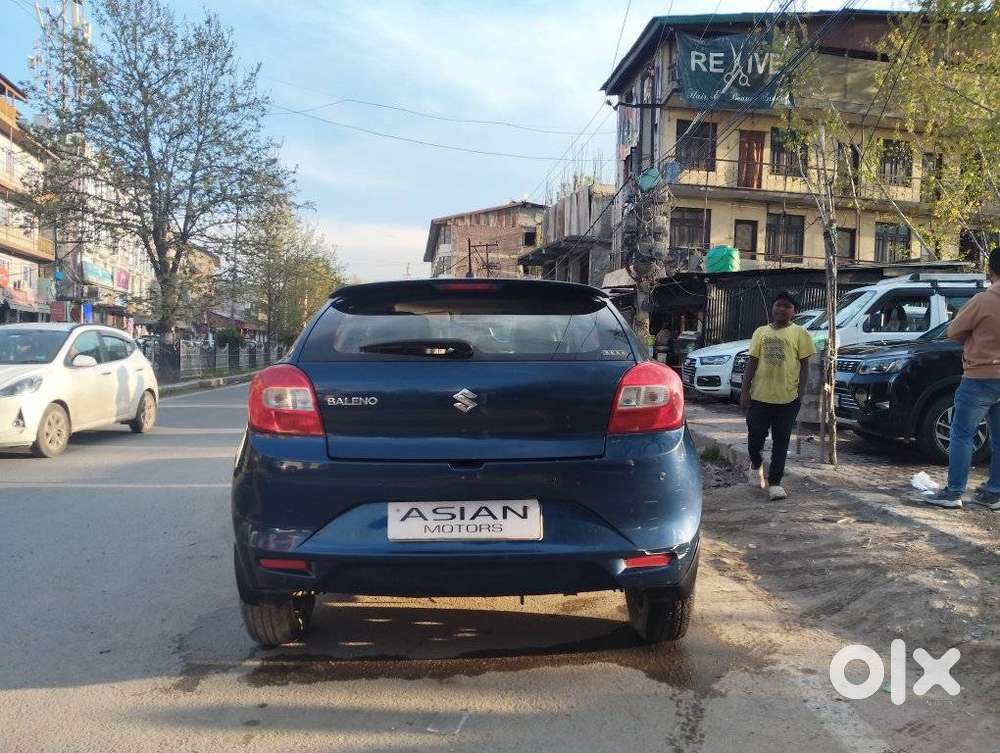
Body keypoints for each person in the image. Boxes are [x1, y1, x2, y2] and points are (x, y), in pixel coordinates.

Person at [924, 247, 1000, 510]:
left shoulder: (982, 300)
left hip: (979, 376)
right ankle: (995, 492)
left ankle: (954, 491)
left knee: (961, 434)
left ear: (990, 271)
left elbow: (953, 332)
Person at [740, 291, 817, 501]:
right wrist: (745, 390)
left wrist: (800, 395)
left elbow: (805, 366)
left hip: (788, 399)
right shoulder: (760, 332)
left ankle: (775, 483)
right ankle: (756, 463)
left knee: (781, 441)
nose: (781, 309)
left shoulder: (800, 334)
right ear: (773, 308)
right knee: (755, 436)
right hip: (759, 397)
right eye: (778, 305)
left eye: (787, 306)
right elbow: (752, 363)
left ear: (794, 312)